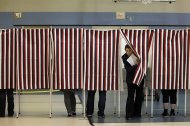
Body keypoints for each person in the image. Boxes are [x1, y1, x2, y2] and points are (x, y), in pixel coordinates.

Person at [122, 44, 144, 119]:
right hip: (130, 80)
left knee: (139, 96)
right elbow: (128, 70)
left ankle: (137, 112)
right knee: (130, 96)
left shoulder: (139, 55)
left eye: (129, 50)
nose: (128, 52)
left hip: (139, 78)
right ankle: (129, 114)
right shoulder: (124, 57)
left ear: (132, 50)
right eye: (127, 51)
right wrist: (136, 65)